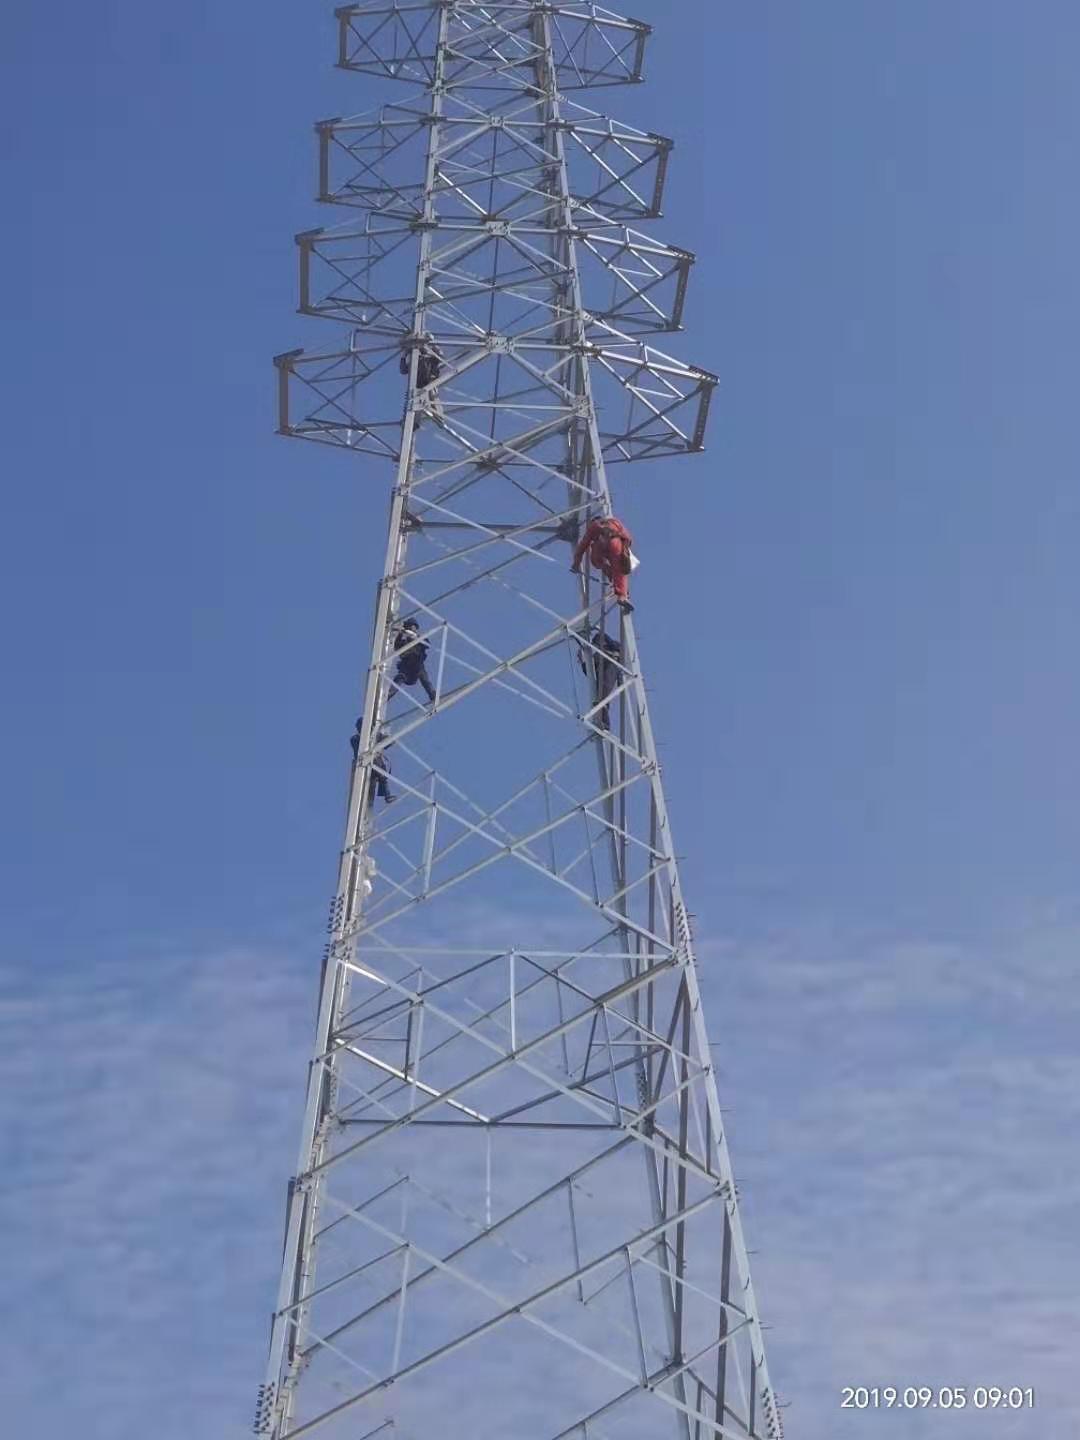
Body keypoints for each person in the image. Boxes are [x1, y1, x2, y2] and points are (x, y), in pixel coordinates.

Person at [570, 514, 635, 612]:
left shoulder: (592, 527)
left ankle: (613, 578)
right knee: (620, 569)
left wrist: (576, 563)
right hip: (615, 542)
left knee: (599, 562)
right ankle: (622, 595)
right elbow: (627, 537)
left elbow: (582, 546)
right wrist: (625, 550)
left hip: (599, 548)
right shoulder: (614, 522)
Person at [577, 629, 622, 729]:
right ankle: (603, 723)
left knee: (601, 699)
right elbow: (590, 672)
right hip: (602, 678)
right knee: (600, 699)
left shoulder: (611, 648)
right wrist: (583, 661)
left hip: (609, 672)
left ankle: (605, 724)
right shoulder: (599, 655)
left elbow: (618, 650)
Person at [388, 618, 437, 705]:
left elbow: (427, 644)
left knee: (424, 678)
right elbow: (397, 647)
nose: (412, 628)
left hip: (417, 664)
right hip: (406, 666)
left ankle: (433, 695)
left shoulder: (418, 638)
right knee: (399, 679)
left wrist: (415, 637)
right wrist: (401, 634)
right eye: (411, 626)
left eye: (413, 627)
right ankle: (386, 696)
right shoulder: (403, 640)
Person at [350, 721, 395, 807]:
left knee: (381, 776)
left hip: (374, 765)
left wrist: (390, 740)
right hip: (367, 765)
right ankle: (383, 796)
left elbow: (386, 742)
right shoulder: (356, 739)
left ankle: (385, 796)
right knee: (380, 777)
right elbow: (357, 753)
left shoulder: (374, 736)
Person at [400, 336, 444, 420]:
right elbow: (403, 370)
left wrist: (431, 343)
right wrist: (404, 355)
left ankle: (438, 415)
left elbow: (440, 355)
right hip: (418, 385)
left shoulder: (431, 359)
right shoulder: (415, 361)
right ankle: (413, 421)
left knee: (432, 397)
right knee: (415, 401)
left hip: (429, 382)